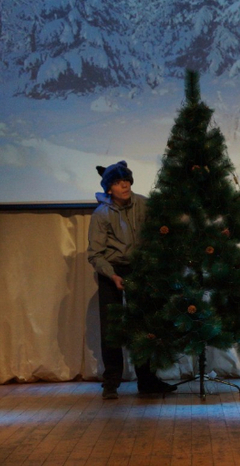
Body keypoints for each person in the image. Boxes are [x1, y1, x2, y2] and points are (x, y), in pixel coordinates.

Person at [87, 160, 177, 399]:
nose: (124, 185)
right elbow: (95, 254)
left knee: (144, 326)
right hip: (112, 271)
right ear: (109, 188)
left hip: (141, 270)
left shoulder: (144, 205)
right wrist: (112, 275)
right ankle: (111, 382)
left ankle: (147, 380)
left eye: (126, 180)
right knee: (112, 328)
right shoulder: (101, 215)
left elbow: (160, 232)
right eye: (118, 182)